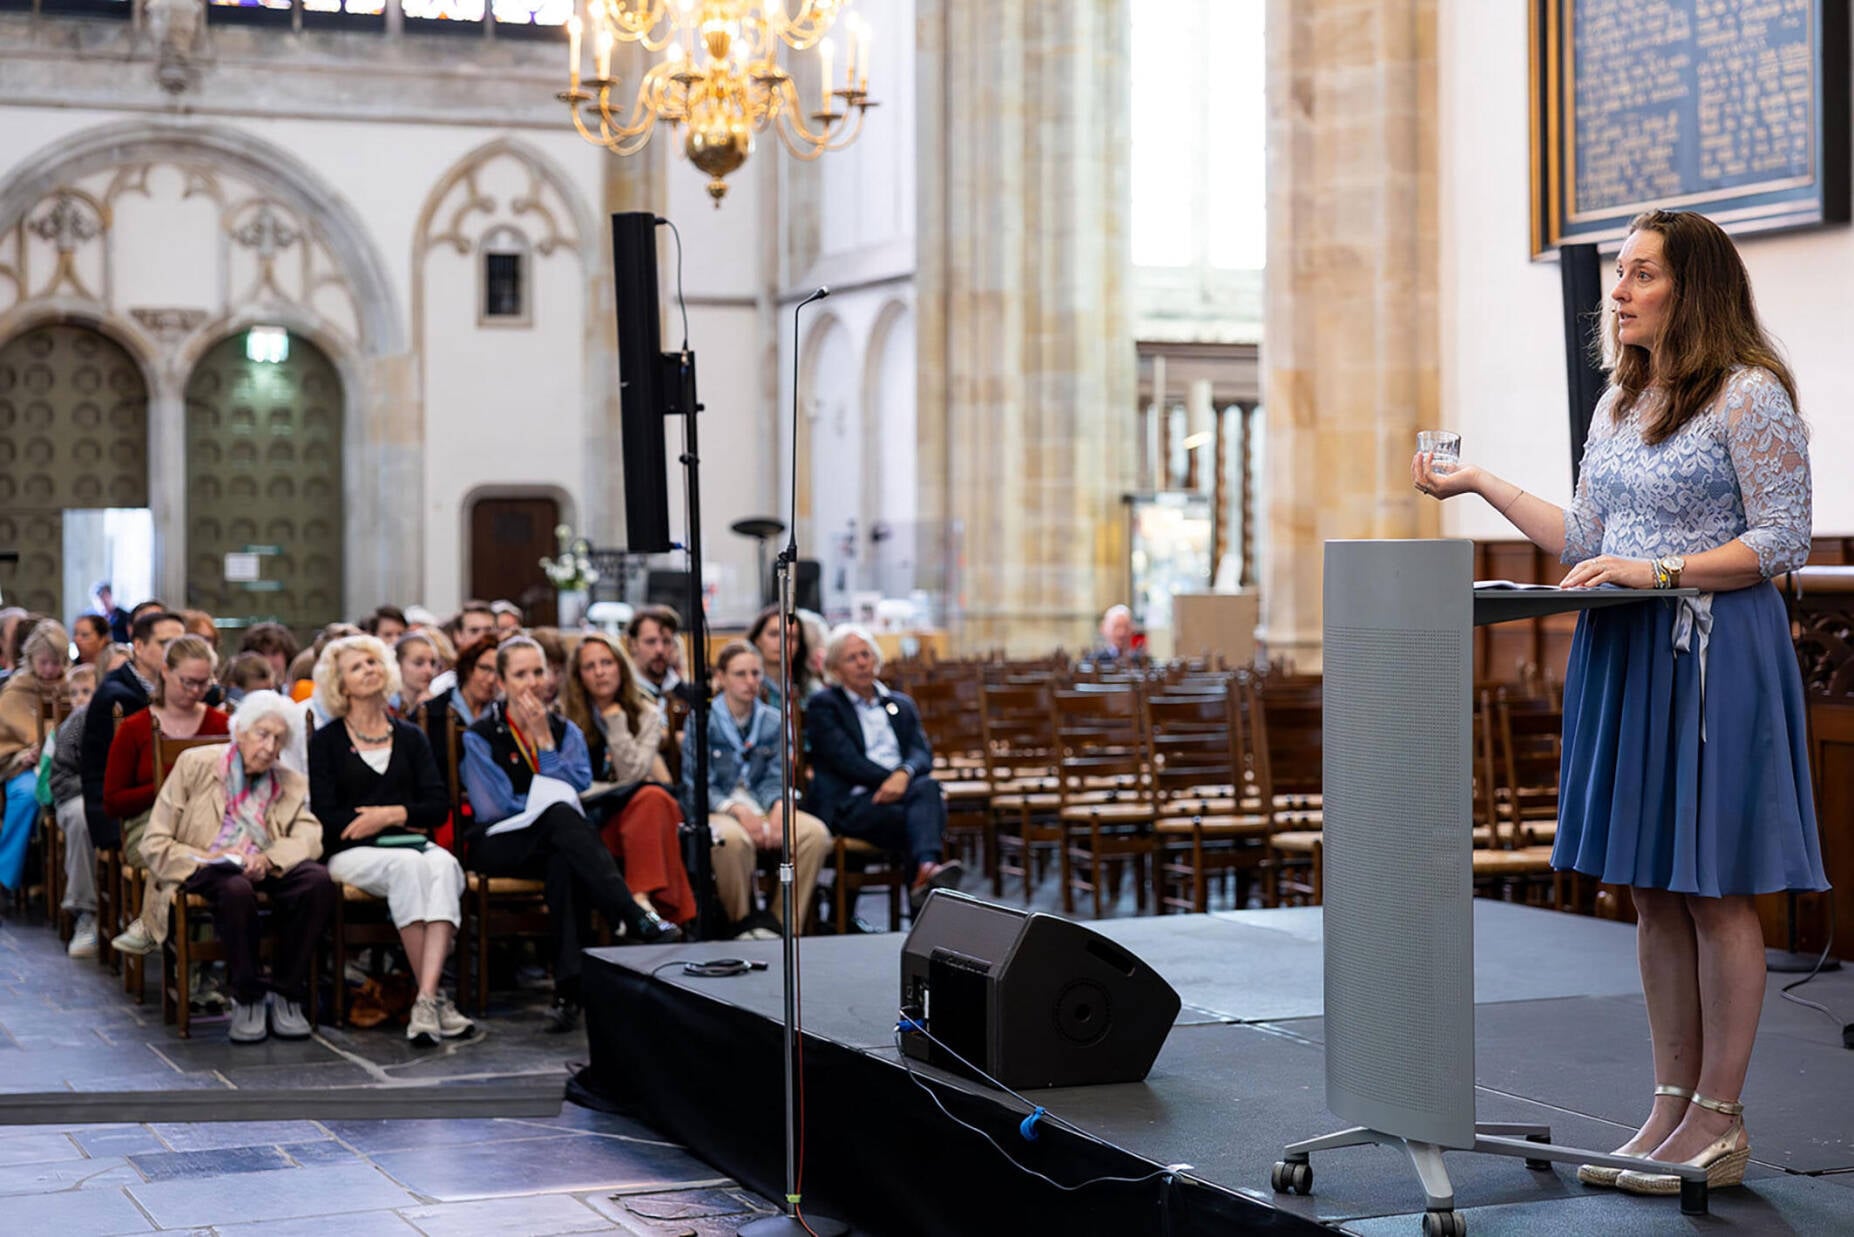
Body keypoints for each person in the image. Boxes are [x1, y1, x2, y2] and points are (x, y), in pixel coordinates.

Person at [1413, 208, 1828, 1196]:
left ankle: (1720, 1121)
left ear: (1695, 287)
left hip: (1710, 653)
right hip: (1629, 650)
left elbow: (1782, 541)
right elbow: (1584, 532)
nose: (1621, 288)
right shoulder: (1617, 407)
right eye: (1622, 272)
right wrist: (1477, 482)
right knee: (1649, 886)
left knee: (1712, 884)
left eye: (1643, 273)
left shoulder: (1749, 395)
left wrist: (1659, 569)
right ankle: (1667, 1105)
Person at [459, 637, 680, 1033]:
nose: (532, 682)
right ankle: (629, 911)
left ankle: (568, 991)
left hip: (555, 839)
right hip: (498, 840)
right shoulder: (479, 735)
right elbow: (493, 805)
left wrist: (544, 743)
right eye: (521, 674)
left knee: (565, 855)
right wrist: (543, 801)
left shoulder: (563, 730)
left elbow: (577, 783)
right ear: (502, 682)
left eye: (538, 672)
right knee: (560, 818)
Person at [140, 691, 334, 1043]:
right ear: (240, 732)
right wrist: (214, 857)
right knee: (235, 888)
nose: (269, 746)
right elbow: (155, 841)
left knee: (317, 881)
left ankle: (287, 992)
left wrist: (269, 858)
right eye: (262, 734)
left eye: (279, 739)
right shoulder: (196, 764)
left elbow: (309, 836)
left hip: (263, 865)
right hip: (205, 863)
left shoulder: (287, 781)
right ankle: (248, 997)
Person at [308, 636, 472, 1043]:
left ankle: (426, 999)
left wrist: (389, 815)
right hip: (350, 854)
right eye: (357, 666)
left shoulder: (410, 737)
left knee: (445, 865)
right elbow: (329, 819)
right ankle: (435, 999)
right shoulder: (327, 742)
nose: (369, 669)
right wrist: (395, 820)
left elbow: (437, 807)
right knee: (410, 867)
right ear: (340, 684)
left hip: (408, 844)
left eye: (373, 661)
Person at [804, 624, 962, 915]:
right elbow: (845, 760)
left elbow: (921, 753)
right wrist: (893, 783)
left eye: (866, 654)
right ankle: (925, 901)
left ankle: (924, 870)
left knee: (925, 794)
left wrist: (904, 775)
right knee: (926, 811)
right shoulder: (824, 705)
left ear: (876, 659)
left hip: (902, 797)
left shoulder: (900, 704)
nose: (862, 662)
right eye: (852, 658)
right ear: (836, 669)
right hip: (852, 802)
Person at [685, 642, 829, 936]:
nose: (750, 682)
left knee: (814, 834)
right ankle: (743, 924)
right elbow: (696, 782)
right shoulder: (702, 721)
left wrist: (779, 806)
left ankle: (782, 926)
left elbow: (779, 775)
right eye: (740, 674)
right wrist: (735, 809)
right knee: (730, 841)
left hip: (763, 804)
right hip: (720, 807)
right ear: (721, 677)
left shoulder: (773, 720)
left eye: (755, 673)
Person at [105, 635, 231, 955]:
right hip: (150, 828)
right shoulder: (135, 727)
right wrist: (167, 788)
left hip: (211, 826)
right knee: (196, 857)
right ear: (165, 671)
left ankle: (153, 928)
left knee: (202, 851)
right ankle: (195, 967)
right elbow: (113, 800)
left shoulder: (222, 723)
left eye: (204, 684)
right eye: (187, 682)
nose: (195, 691)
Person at [563, 632, 697, 928]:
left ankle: (639, 901)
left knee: (652, 800)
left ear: (621, 667)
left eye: (607, 663)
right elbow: (571, 784)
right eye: (590, 666)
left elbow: (632, 774)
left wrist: (615, 720)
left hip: (632, 816)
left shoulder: (646, 713)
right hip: (589, 824)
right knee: (655, 801)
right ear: (578, 675)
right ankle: (647, 909)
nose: (600, 672)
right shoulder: (565, 716)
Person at [82, 610, 186, 855]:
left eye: (181, 644)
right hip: (133, 811)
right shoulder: (115, 697)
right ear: (138, 646)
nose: (176, 653)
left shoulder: (190, 692)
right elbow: (103, 777)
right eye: (165, 644)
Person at [0, 620, 69, 904]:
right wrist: (24, 755)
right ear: (30, 659)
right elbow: (5, 738)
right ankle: (7, 876)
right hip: (25, 768)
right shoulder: (16, 691)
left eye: (56, 663)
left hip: (63, 767)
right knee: (28, 794)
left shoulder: (73, 687)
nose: (50, 670)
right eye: (44, 662)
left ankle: (61, 883)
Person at [49, 658, 113, 956]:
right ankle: (86, 913)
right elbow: (59, 777)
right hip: (80, 794)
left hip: (123, 796)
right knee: (81, 817)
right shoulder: (79, 721)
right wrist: (96, 793)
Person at [747, 605, 820, 713]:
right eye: (774, 634)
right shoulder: (745, 684)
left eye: (791, 637)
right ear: (757, 639)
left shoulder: (810, 689)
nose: (782, 642)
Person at [627, 606, 694, 705]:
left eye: (666, 641)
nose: (660, 649)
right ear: (633, 645)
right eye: (651, 641)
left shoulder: (687, 695)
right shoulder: (624, 694)